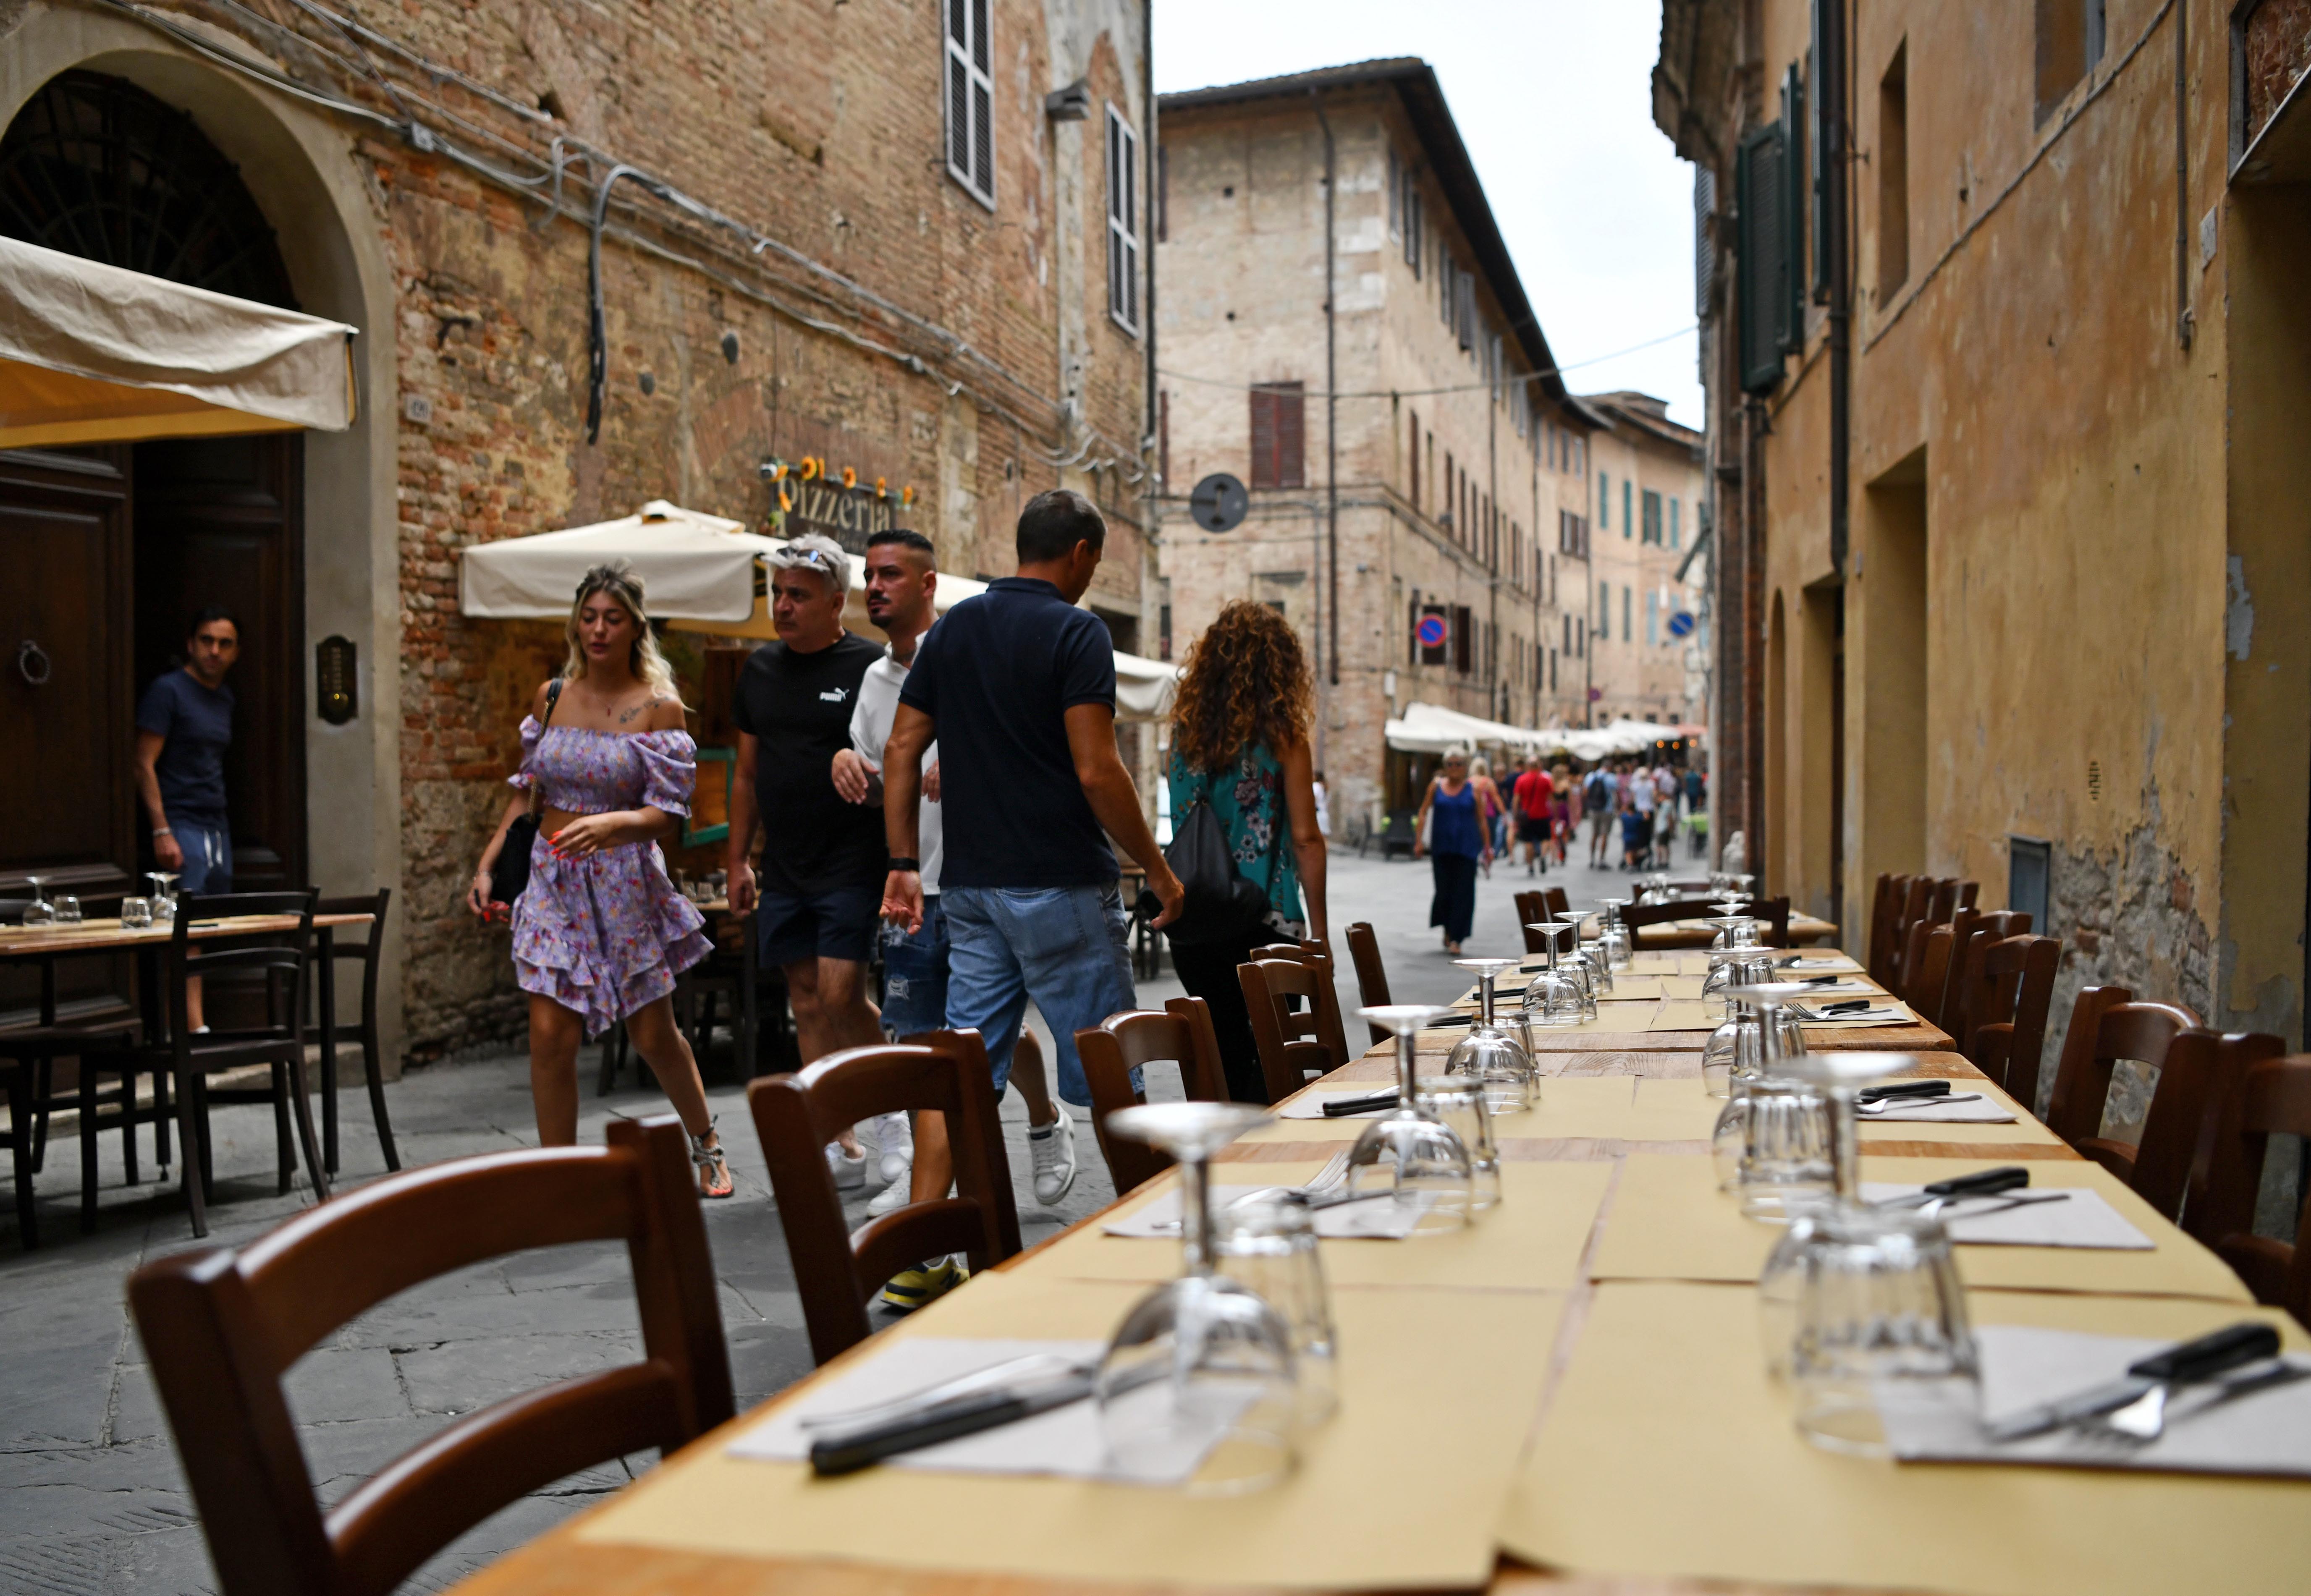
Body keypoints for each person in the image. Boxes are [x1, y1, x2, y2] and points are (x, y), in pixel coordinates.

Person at [880, 489, 1184, 1310]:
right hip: (1058, 881)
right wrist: (1157, 870)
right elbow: (1096, 768)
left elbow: (901, 746)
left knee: (963, 1068)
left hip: (970, 885)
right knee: (1110, 1064)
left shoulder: (952, 630)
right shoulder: (1077, 632)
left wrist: (902, 861)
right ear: (1081, 554)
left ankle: (919, 1253)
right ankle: (1148, 1242)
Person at [469, 564, 729, 1196]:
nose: (598, 629)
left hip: (623, 881)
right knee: (549, 1035)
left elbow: (668, 812)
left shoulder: (659, 706)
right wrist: (488, 864)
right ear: (576, 623)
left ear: (635, 627)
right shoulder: (551, 696)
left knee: (653, 1034)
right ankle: (561, 1179)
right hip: (551, 878)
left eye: (613, 618)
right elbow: (528, 789)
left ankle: (707, 1143)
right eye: (589, 617)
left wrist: (613, 826)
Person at [725, 533, 889, 1191]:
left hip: (853, 856)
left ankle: (896, 1109)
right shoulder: (760, 670)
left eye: (798, 594)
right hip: (786, 863)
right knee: (805, 999)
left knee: (840, 991)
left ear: (837, 601)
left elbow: (899, 754)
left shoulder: (870, 666)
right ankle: (837, 1138)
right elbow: (746, 775)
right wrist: (739, 860)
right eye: (777, 592)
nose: (783, 605)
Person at [830, 528, 954, 1217]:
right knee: (920, 1037)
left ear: (927, 583)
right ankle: (927, 1187)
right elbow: (877, 784)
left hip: (974, 882)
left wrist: (961, 759)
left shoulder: (961, 654)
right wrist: (846, 764)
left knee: (981, 1033)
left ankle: (1043, 1116)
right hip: (908, 885)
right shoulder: (874, 682)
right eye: (869, 575)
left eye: (890, 575)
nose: (873, 587)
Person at [1162, 600, 1330, 1104]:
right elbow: (1305, 837)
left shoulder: (1184, 734)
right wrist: (1319, 931)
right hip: (1266, 920)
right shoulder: (1284, 736)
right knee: (1271, 1062)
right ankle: (1262, 1146)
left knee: (1219, 1053)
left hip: (1196, 913)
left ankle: (1220, 1146)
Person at [134, 606, 240, 1032]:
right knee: (184, 926)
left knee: (210, 923)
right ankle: (190, 1029)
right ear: (191, 644)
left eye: (225, 644)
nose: (215, 651)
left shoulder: (225, 698)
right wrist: (162, 829)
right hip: (180, 821)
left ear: (235, 652)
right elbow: (143, 762)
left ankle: (193, 1023)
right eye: (207, 641)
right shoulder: (169, 692)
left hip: (216, 824)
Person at [1414, 747, 1488, 955]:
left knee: (1463, 893)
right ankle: (1448, 928)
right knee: (1444, 892)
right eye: (1450, 764)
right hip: (1442, 847)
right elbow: (1423, 812)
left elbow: (1482, 820)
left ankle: (1457, 938)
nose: (1454, 768)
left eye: (1459, 764)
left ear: (1465, 767)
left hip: (1467, 848)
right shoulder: (1436, 787)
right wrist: (1418, 841)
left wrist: (1488, 847)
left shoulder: (1473, 790)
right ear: (1445, 767)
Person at [1509, 756, 1554, 876]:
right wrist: (1556, 814)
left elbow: (1516, 800)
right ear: (1539, 766)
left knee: (1528, 842)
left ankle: (1531, 867)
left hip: (1527, 816)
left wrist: (1515, 816)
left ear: (1528, 766)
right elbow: (1551, 799)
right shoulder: (1546, 780)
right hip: (1543, 814)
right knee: (1545, 839)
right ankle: (1543, 856)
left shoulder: (1521, 780)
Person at [1584, 761, 1617, 867]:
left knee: (1594, 834)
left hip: (1593, 809)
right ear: (1610, 767)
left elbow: (1585, 792)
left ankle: (1592, 859)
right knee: (1604, 835)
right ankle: (1602, 860)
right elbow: (1616, 792)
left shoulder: (1591, 776)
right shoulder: (1611, 778)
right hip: (1607, 809)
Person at [1549, 762, 1575, 866]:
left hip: (1553, 809)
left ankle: (1553, 857)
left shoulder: (1551, 783)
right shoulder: (1566, 784)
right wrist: (1573, 812)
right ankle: (1562, 854)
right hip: (1563, 809)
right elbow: (1571, 800)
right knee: (1564, 833)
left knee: (1553, 834)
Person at [1311, 769, 1331, 839]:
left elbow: (1314, 798)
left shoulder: (1316, 786)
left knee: (1318, 837)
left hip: (1318, 814)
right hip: (1324, 813)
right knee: (1324, 837)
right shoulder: (1324, 787)